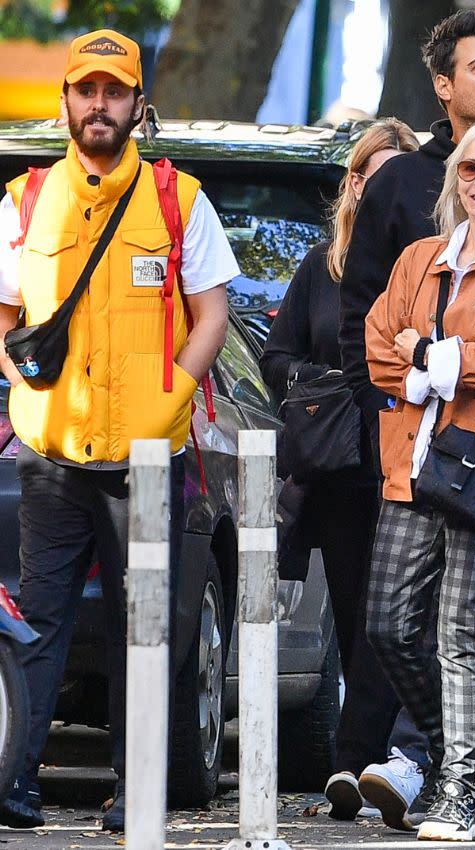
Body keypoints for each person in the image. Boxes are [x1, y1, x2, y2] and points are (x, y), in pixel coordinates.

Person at [0, 29, 238, 832]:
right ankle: (14, 787)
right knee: (37, 628)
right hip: (53, 457)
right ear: (64, 100)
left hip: (148, 456)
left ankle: (133, 795)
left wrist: (172, 393)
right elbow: (6, 319)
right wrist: (22, 389)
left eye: (114, 90)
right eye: (85, 89)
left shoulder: (180, 199)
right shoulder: (23, 201)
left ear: (140, 104)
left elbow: (212, 315)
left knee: (146, 632)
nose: (98, 104)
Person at [339, 6, 475, 831]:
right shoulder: (422, 257)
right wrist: (438, 364)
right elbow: (376, 340)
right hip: (411, 461)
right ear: (452, 179)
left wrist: (436, 361)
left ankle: (459, 792)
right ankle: (470, 750)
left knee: (462, 633)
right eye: (470, 173)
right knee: (391, 627)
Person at [260, 118, 418, 820]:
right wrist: (322, 380)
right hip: (346, 476)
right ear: (353, 184)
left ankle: (390, 762)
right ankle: (358, 769)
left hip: (417, 470)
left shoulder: (430, 268)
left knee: (400, 622)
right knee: (360, 622)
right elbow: (274, 356)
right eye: (372, 176)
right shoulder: (321, 266)